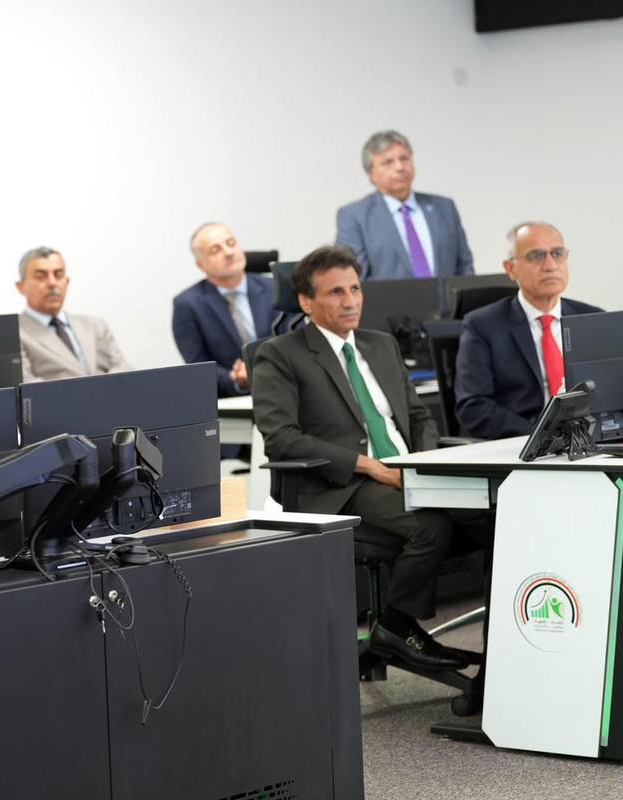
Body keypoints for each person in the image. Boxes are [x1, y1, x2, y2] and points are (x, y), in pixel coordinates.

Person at [252, 244, 466, 670]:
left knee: (488, 517)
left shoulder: (380, 344)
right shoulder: (280, 353)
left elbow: (419, 415)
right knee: (432, 527)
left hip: (405, 471)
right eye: (335, 292)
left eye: (354, 289)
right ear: (306, 301)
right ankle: (395, 628)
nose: (350, 301)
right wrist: (369, 465)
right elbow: (281, 439)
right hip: (345, 483)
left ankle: (502, 643)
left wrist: (424, 464)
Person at [455, 221, 602, 439]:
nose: (550, 265)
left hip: (588, 440)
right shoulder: (482, 325)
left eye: (557, 254)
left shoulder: (592, 318)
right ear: (511, 269)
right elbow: (474, 407)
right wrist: (542, 436)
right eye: (536, 256)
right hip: (521, 441)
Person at [336, 130, 474, 280]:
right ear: (370, 173)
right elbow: (354, 279)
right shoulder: (354, 216)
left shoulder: (444, 208)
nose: (399, 167)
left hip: (445, 296)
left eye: (404, 158)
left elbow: (465, 266)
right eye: (388, 162)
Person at [172, 222, 274, 397]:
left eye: (231, 243)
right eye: (215, 250)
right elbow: (198, 368)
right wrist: (236, 379)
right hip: (234, 400)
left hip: (287, 389)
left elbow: (297, 345)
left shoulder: (274, 288)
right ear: (200, 265)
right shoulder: (188, 305)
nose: (228, 252)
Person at [16, 246, 131, 381]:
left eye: (58, 275)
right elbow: (25, 383)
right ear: (21, 286)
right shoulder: (13, 334)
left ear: (67, 282)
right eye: (41, 276)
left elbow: (122, 368)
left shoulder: (95, 326)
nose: (52, 283)